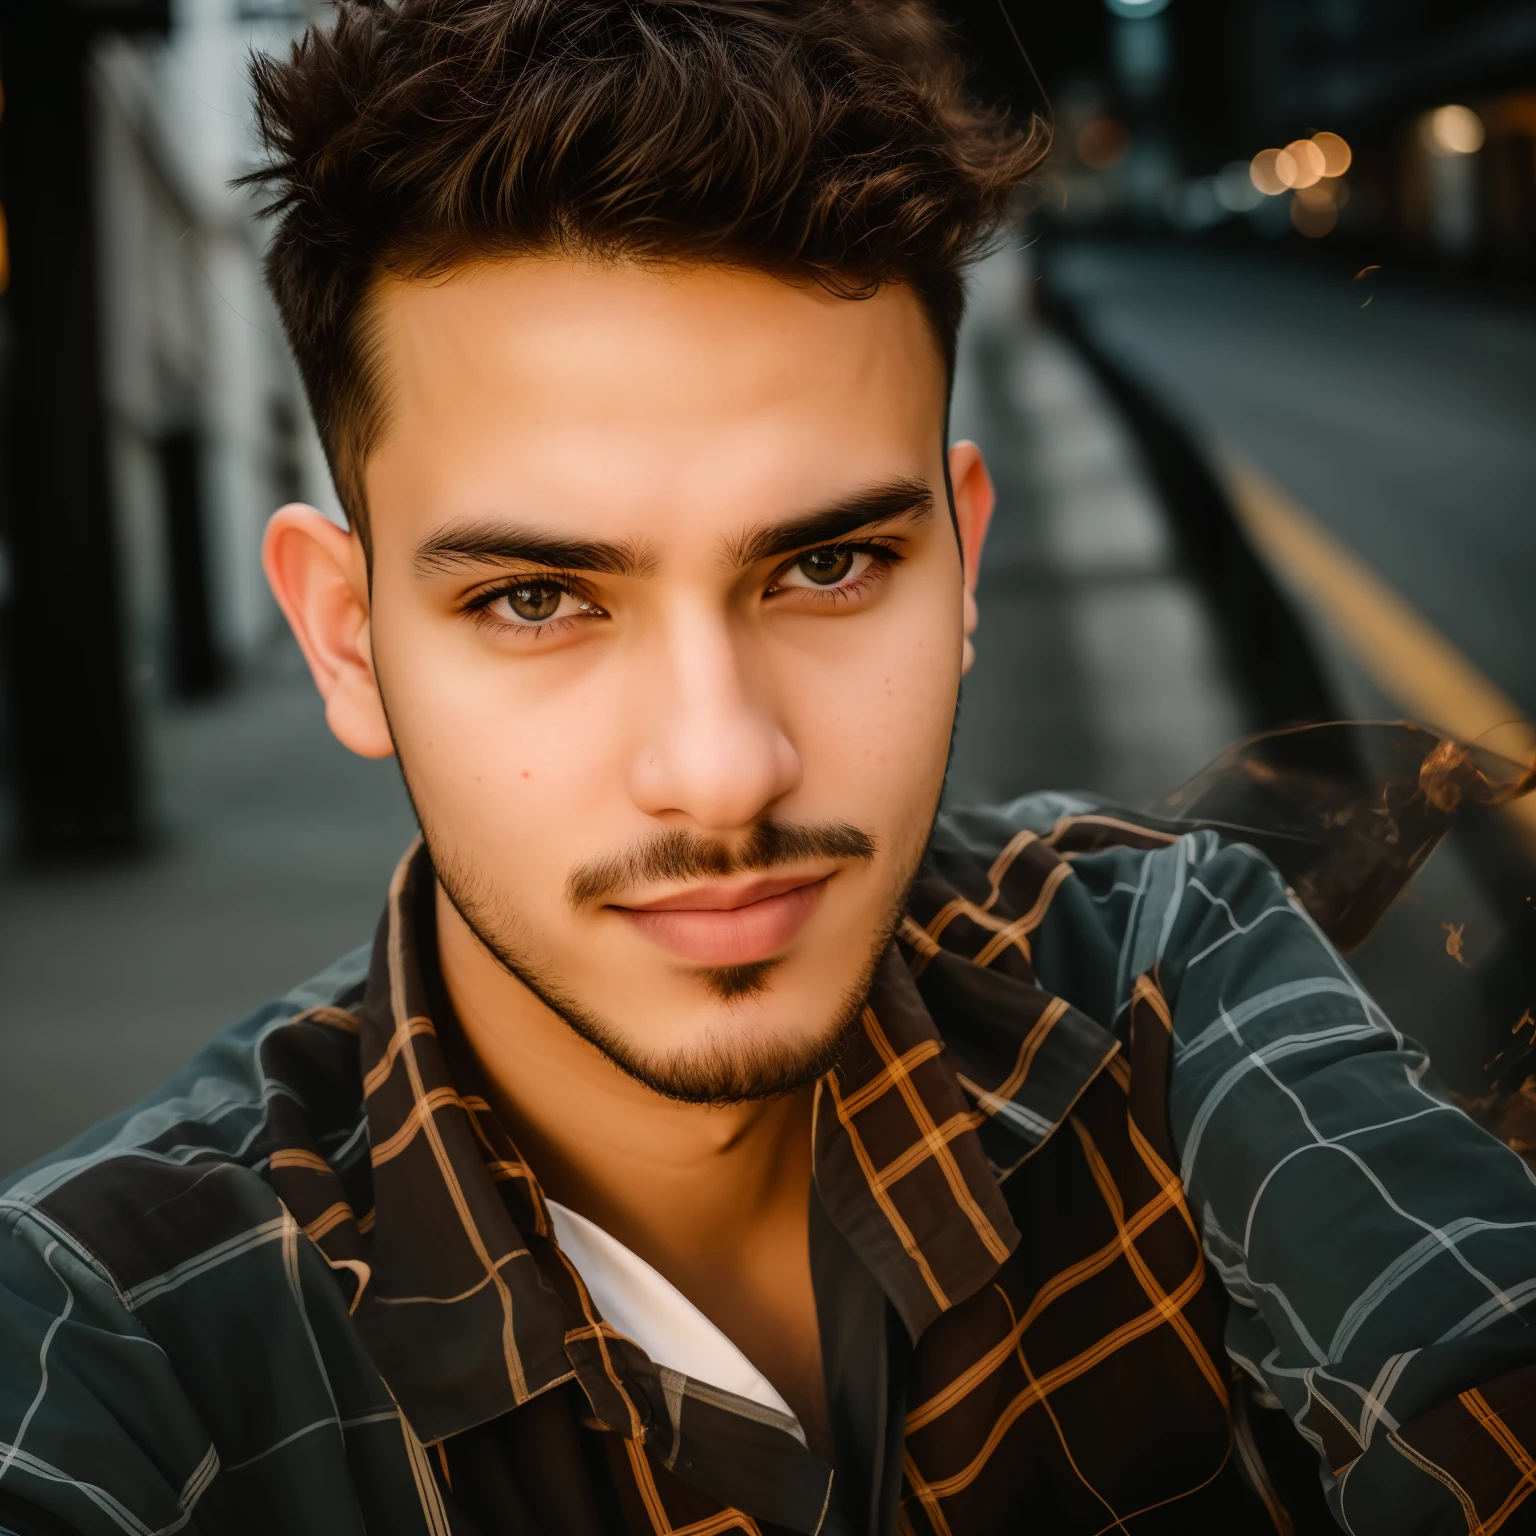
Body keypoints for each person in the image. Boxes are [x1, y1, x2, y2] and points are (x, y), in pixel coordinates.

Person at [3, 3, 1535, 1533]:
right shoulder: (116, 1333)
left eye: (830, 567)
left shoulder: (1160, 970)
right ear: (347, 641)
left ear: (963, 560)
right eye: (537, 599)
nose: (725, 769)